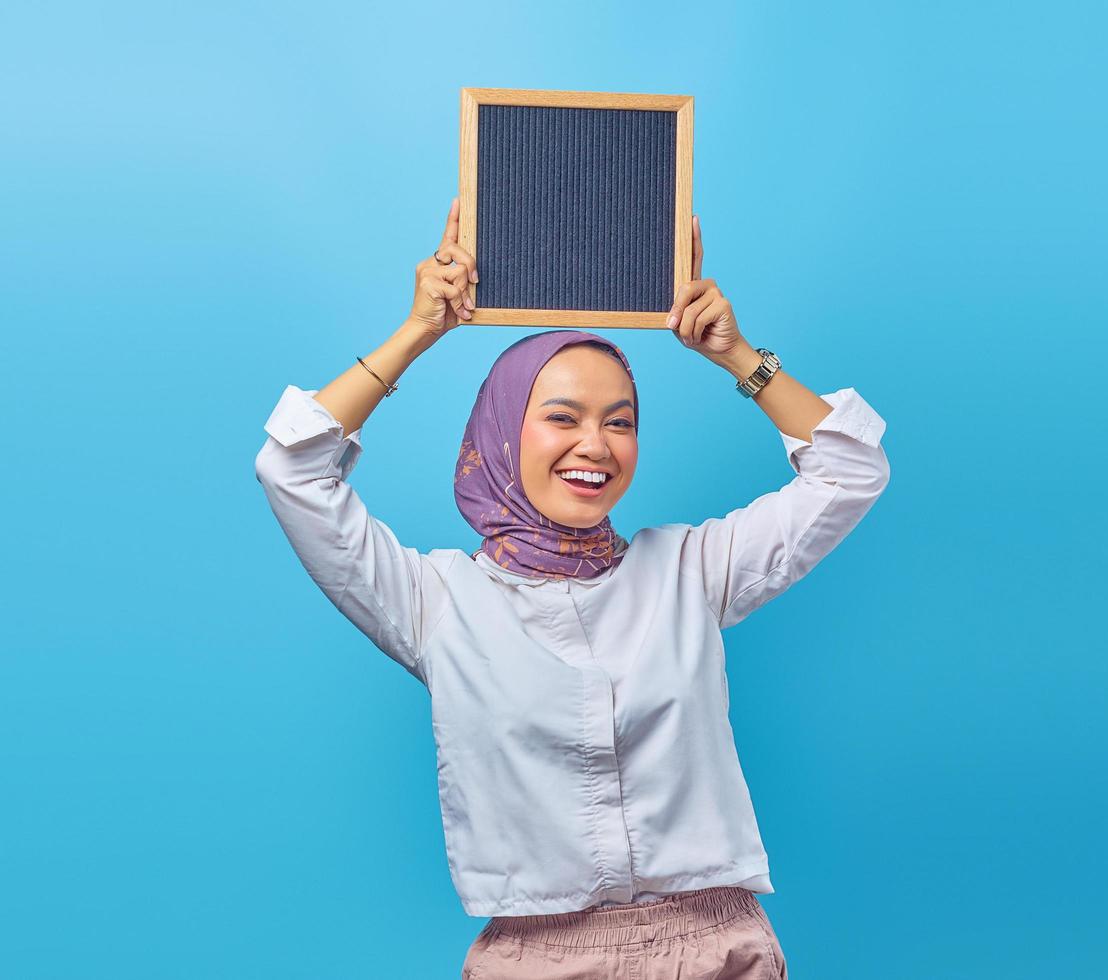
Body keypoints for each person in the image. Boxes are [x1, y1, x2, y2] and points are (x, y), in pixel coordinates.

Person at [254, 197, 891, 979]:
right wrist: (422, 330)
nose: (596, 446)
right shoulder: (434, 603)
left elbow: (851, 471)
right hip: (536, 958)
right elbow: (293, 471)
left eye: (620, 421)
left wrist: (739, 357)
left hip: (717, 951)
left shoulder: (688, 570)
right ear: (501, 430)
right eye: (562, 417)